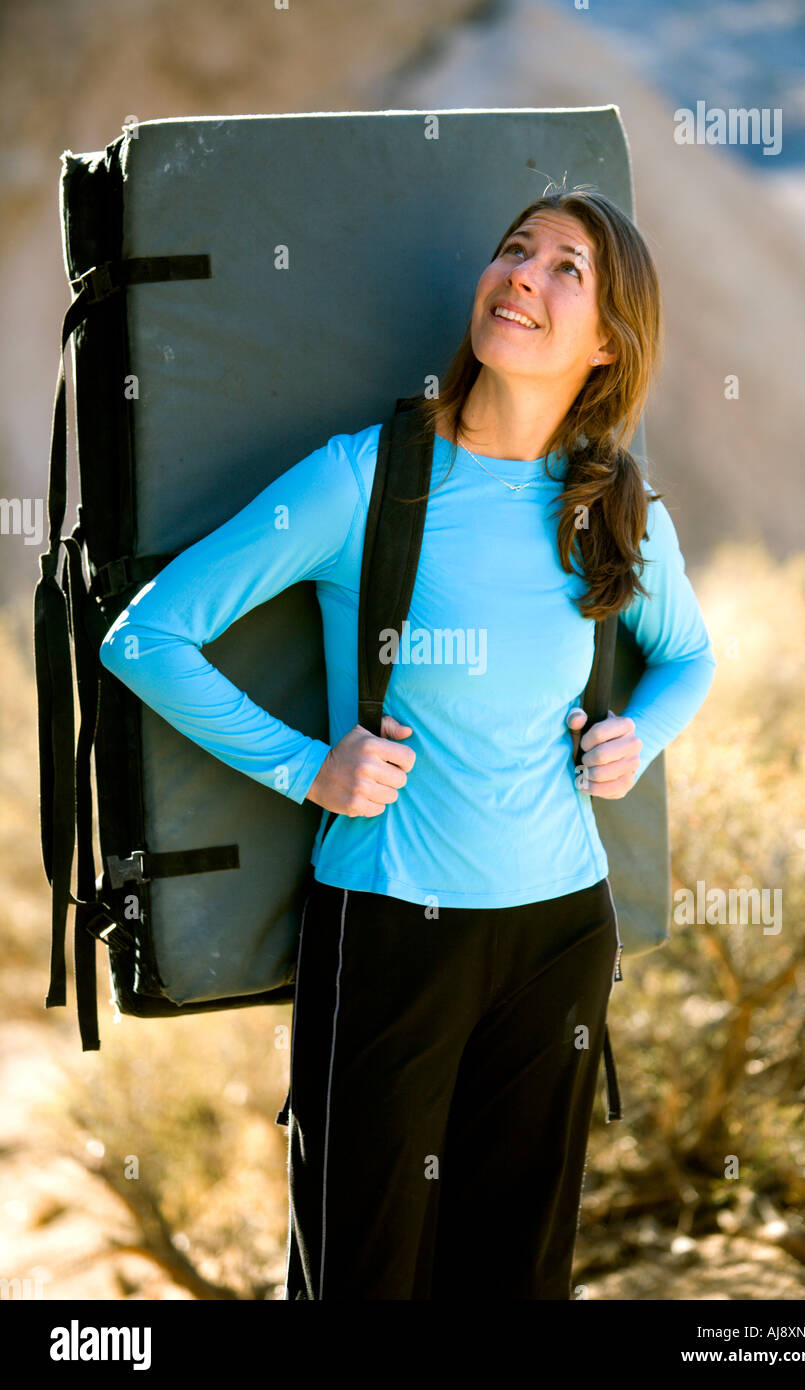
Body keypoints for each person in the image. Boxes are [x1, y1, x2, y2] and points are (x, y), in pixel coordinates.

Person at [99, 184, 716, 1301]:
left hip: (558, 936)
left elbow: (688, 657)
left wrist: (638, 734)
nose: (521, 273)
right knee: (359, 1277)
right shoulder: (361, 479)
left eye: (564, 266)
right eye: (512, 250)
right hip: (388, 932)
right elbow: (145, 636)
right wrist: (304, 767)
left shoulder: (613, 508)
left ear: (606, 346)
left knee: (515, 1280)